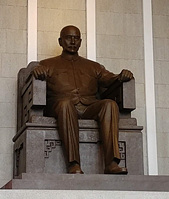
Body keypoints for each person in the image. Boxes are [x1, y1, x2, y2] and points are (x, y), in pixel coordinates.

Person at [32, 25, 132, 175]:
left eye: (76, 38)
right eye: (68, 38)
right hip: (60, 106)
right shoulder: (48, 64)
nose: (73, 41)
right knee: (65, 105)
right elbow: (35, 77)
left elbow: (110, 79)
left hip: (88, 106)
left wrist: (121, 76)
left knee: (110, 104)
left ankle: (111, 163)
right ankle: (74, 164)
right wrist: (37, 71)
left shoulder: (93, 66)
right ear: (60, 41)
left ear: (80, 42)